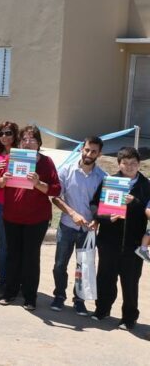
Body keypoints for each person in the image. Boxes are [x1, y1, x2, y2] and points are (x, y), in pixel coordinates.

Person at [0, 125, 61, 310]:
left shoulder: (46, 163)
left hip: (36, 219)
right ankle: (10, 292)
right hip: (12, 216)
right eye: (24, 139)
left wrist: (38, 183)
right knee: (13, 256)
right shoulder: (11, 159)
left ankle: (30, 296)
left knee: (31, 258)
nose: (28, 142)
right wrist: (2, 180)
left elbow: (56, 189)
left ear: (39, 143)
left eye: (32, 139)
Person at [91, 147, 149, 330]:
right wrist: (107, 218)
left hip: (133, 244)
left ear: (139, 164)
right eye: (125, 163)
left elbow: (148, 212)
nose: (130, 167)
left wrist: (135, 203)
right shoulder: (109, 181)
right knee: (105, 278)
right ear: (119, 164)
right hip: (109, 241)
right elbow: (94, 206)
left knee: (130, 282)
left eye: (133, 163)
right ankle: (102, 310)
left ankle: (129, 317)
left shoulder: (146, 186)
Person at [48, 137, 106, 315]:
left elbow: (104, 204)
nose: (89, 154)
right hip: (67, 225)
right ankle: (59, 295)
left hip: (88, 230)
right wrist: (72, 213)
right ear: (82, 148)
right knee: (60, 264)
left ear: (99, 154)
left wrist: (97, 220)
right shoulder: (66, 171)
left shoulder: (103, 177)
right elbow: (56, 197)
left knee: (84, 266)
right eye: (87, 149)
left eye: (94, 151)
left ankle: (79, 300)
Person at [0, 121, 19, 293]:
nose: (4, 137)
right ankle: (3, 280)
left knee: (18, 245)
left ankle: (17, 281)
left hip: (19, 205)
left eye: (8, 133)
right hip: (1, 205)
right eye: (1, 133)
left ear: (15, 135)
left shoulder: (22, 155)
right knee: (5, 244)